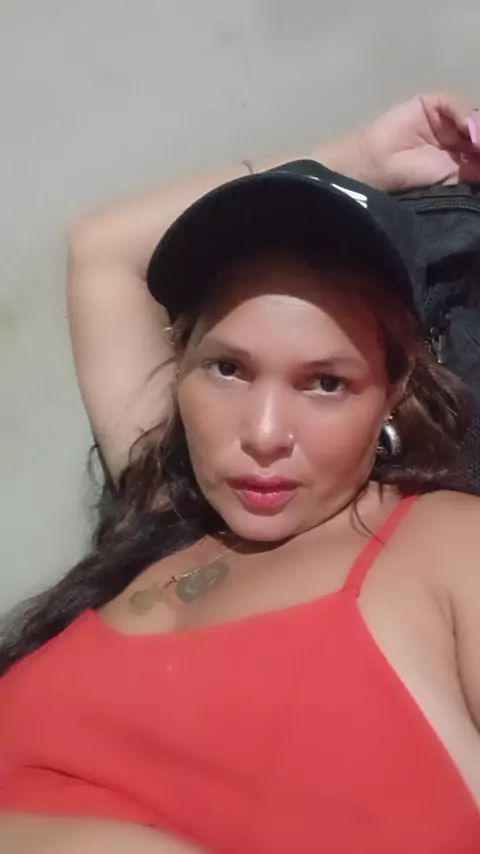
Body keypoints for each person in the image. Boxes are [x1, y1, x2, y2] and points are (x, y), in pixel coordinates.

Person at [1, 93, 480, 854]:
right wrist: (360, 161)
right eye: (227, 369)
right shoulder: (165, 511)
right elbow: (103, 249)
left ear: (393, 388)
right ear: (180, 365)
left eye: (326, 383)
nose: (262, 436)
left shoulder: (448, 547)